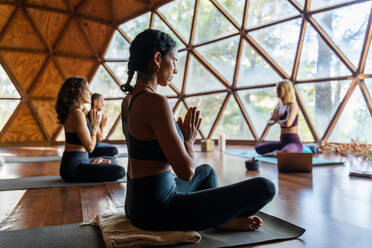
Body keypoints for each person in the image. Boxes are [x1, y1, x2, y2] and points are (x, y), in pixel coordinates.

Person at [121, 29, 275, 231]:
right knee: (265, 187)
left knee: (208, 172)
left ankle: (217, 219)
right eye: (174, 60)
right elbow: (186, 172)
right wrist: (188, 140)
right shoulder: (156, 102)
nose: (176, 69)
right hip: (159, 210)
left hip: (135, 206)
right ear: (158, 58)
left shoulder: (128, 100)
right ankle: (219, 220)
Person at [55, 77, 125, 182]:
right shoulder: (77, 114)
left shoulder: (76, 113)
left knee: (111, 159)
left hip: (80, 161)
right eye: (87, 89)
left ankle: (91, 163)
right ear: (77, 92)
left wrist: (92, 162)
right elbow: (91, 148)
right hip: (73, 168)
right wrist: (95, 126)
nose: (90, 93)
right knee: (120, 171)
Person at [255, 80, 303, 157]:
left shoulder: (293, 105)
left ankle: (278, 153)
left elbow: (288, 123)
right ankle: (277, 153)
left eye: (279, 89)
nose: (277, 91)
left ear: (286, 90)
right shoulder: (279, 106)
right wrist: (274, 121)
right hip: (282, 142)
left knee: (285, 153)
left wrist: (276, 120)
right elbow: (268, 123)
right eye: (277, 89)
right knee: (258, 148)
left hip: (293, 142)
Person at [87, 93, 119, 158]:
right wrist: (102, 126)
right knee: (114, 150)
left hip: (93, 145)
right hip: (91, 148)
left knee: (109, 146)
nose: (103, 104)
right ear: (95, 102)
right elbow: (100, 139)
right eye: (101, 101)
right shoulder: (93, 115)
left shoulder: (92, 113)